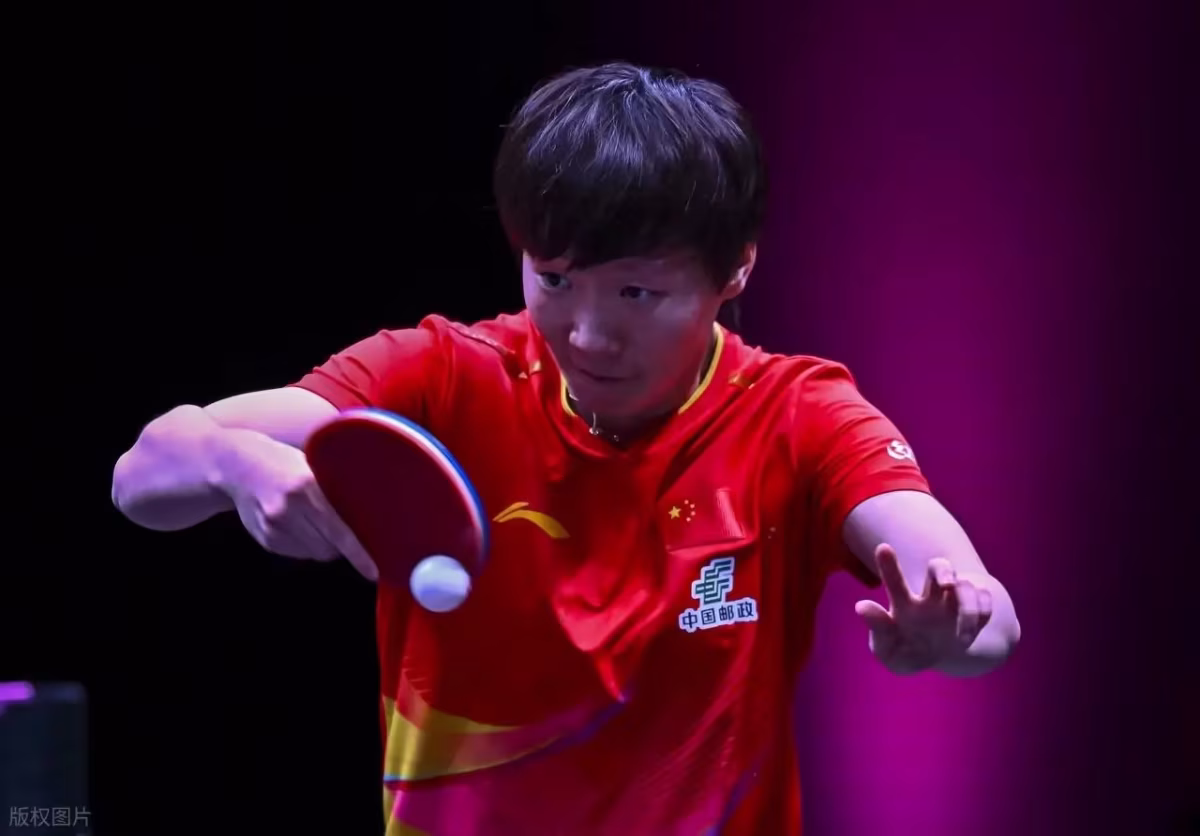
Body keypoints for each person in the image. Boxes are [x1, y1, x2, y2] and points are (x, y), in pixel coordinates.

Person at [111, 62, 1021, 835]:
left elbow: (979, 609)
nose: (586, 334)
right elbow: (142, 476)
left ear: (737, 267)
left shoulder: (795, 414)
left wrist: (951, 626)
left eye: (635, 294)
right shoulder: (442, 376)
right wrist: (235, 464)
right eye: (553, 279)